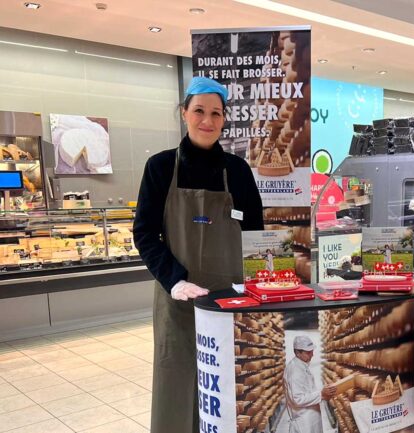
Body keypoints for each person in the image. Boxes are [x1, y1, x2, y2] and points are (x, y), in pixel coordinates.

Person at [133, 76, 263, 433]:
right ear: (184, 113)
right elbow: (144, 233)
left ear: (225, 119)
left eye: (216, 113)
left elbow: (255, 233)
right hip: (178, 301)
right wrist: (175, 281)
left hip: (230, 302)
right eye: (199, 111)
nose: (207, 120)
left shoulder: (238, 171)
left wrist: (256, 286)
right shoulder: (160, 167)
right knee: (178, 382)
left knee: (231, 385)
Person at [284, 336, 337, 433]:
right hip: (304, 423)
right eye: (308, 352)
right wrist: (321, 394)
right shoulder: (295, 371)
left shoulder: (301, 365)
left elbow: (307, 391)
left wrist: (323, 394)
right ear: (297, 352)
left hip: (310, 419)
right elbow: (297, 399)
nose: (312, 355)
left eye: (312, 351)